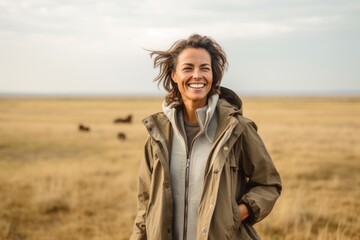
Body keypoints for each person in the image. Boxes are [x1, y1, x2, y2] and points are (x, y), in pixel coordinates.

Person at [130, 34, 282, 240]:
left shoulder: (237, 129)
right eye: (188, 68)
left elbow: (268, 183)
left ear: (213, 75)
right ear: (174, 75)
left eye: (204, 68)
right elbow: (146, 203)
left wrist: (237, 214)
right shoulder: (158, 134)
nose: (197, 75)